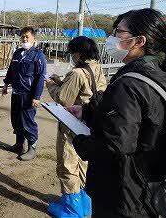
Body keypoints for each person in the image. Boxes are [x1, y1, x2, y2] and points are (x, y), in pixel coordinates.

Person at [68, 8, 166, 217]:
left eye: (118, 32)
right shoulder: (161, 76)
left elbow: (115, 144)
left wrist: (80, 142)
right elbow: (140, 120)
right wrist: (89, 112)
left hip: (123, 191)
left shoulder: (130, 83)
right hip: (150, 184)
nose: (111, 38)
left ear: (139, 41)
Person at [45, 36, 107, 217]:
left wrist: (51, 85)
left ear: (78, 53)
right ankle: (84, 203)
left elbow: (63, 98)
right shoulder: (96, 68)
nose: (71, 57)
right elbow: (84, 91)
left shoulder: (77, 73)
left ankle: (71, 208)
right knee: (83, 163)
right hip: (90, 123)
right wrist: (60, 82)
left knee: (67, 163)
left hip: (72, 125)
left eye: (72, 53)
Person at [2, 26, 47, 161]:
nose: (24, 39)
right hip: (16, 92)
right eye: (22, 36)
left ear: (34, 38)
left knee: (28, 122)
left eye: (27, 36)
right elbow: (11, 70)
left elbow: (40, 77)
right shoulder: (17, 53)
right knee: (16, 120)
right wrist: (5, 84)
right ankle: (18, 145)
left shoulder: (38, 55)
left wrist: (36, 97)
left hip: (28, 95)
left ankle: (32, 148)